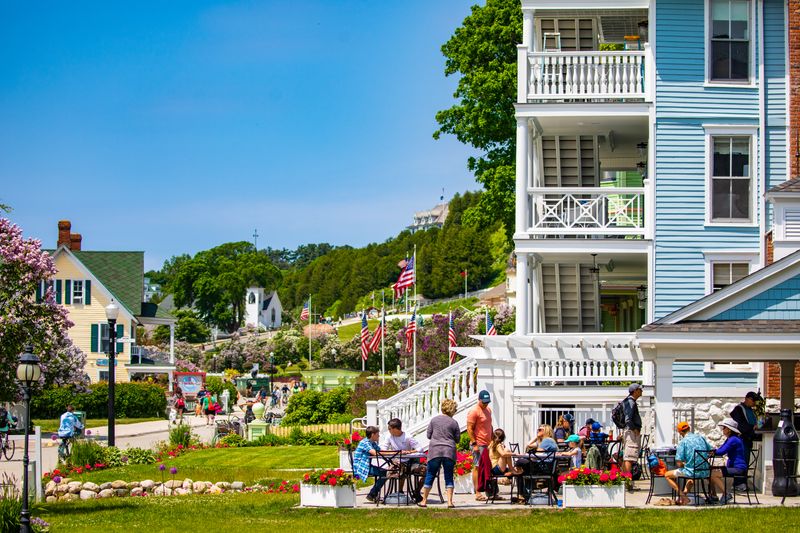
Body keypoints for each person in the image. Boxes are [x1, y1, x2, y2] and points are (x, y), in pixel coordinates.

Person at [419, 399, 460, 508]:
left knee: (430, 474)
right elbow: (457, 439)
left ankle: (424, 501)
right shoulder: (454, 423)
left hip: (435, 450)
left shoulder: (434, 420)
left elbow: (428, 435)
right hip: (449, 451)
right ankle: (450, 502)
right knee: (448, 476)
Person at [664, 421, 711, 505]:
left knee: (667, 475)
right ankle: (684, 495)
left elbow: (678, 462)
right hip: (705, 471)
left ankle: (683, 497)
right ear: (689, 428)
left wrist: (684, 465)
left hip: (691, 472)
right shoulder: (701, 437)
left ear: (680, 432)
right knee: (690, 478)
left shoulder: (683, 442)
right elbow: (711, 451)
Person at [709, 418, 748, 504]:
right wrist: (714, 451)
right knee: (711, 472)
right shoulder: (731, 439)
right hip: (734, 467)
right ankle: (714, 495)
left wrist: (711, 451)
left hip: (738, 468)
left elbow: (721, 452)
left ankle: (726, 494)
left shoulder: (733, 440)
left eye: (724, 428)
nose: (723, 430)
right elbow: (720, 450)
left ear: (729, 429)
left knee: (712, 474)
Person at [383, 418, 423, 501]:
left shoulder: (407, 436)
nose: (388, 430)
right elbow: (383, 449)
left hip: (410, 462)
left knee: (426, 471)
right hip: (398, 463)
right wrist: (397, 452)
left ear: (395, 429)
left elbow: (420, 449)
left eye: (389, 429)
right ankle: (400, 491)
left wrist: (409, 452)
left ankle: (417, 491)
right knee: (400, 468)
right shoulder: (389, 436)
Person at [729, 391, 759, 490]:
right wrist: (752, 427)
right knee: (740, 462)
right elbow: (740, 425)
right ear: (748, 399)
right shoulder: (738, 409)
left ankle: (742, 482)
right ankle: (738, 483)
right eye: (753, 401)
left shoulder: (751, 410)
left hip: (747, 440)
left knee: (745, 462)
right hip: (741, 440)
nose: (754, 403)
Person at [466, 390, 493, 501]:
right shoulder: (474, 411)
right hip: (479, 444)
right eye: (484, 402)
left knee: (488, 468)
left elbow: (489, 426)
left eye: (487, 402)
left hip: (487, 444)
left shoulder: (488, 410)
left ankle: (489, 491)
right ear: (479, 400)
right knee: (477, 467)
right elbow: (469, 429)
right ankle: (477, 492)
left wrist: (492, 440)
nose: (486, 404)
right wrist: (474, 443)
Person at [352, 425, 387, 504]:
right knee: (384, 473)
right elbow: (375, 453)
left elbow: (380, 451)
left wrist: (394, 452)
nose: (379, 435)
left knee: (384, 472)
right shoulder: (365, 442)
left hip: (367, 465)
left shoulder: (372, 442)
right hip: (361, 467)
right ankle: (372, 494)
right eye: (377, 434)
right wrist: (391, 453)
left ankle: (372, 494)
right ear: (372, 434)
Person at [622, 383, 643, 484]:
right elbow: (628, 419)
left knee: (628, 457)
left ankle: (625, 480)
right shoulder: (631, 402)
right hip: (631, 432)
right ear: (635, 391)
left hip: (629, 431)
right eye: (640, 389)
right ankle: (628, 482)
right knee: (629, 457)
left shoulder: (629, 401)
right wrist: (634, 429)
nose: (642, 391)